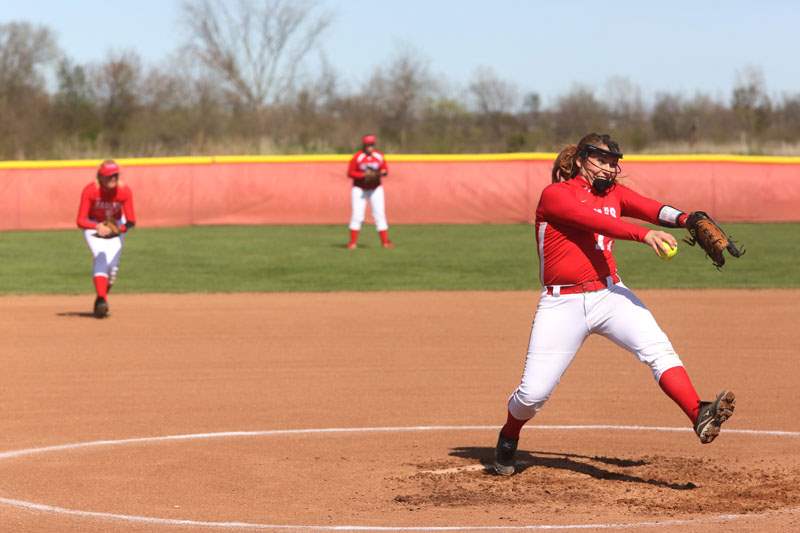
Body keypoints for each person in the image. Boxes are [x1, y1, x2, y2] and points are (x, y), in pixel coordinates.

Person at [493, 133, 736, 476]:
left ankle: (699, 413)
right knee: (533, 395)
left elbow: (652, 209)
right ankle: (509, 434)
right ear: (581, 160)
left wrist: (688, 219)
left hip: (610, 294)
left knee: (658, 349)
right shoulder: (555, 195)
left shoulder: (615, 194)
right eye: (601, 160)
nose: (609, 168)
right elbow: (595, 221)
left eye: (613, 162)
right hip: (562, 304)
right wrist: (643, 235)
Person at [76, 160, 136, 318]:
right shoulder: (90, 191)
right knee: (101, 257)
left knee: (112, 269)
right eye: (109, 176)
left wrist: (116, 229)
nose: (113, 178)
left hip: (115, 224)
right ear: (101, 177)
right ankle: (101, 300)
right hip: (93, 224)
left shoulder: (124, 191)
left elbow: (131, 221)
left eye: (116, 175)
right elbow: (80, 220)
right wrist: (97, 226)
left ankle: (101, 295)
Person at [346, 134, 393, 249]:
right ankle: (352, 243)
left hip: (375, 188)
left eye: (372, 144)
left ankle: (385, 242)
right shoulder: (358, 157)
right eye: (368, 145)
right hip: (359, 188)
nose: (370, 147)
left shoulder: (379, 156)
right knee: (357, 215)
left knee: (379, 214)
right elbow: (350, 173)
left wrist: (381, 173)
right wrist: (363, 175)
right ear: (364, 145)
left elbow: (385, 170)